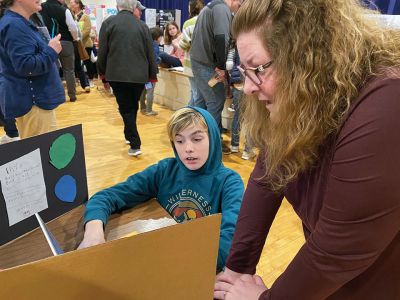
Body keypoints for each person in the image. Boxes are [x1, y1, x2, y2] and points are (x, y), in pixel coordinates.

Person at [214, 0, 400, 299]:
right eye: (243, 70)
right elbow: (267, 178)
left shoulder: (387, 106)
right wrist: (236, 269)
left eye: (257, 68)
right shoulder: (306, 102)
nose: (247, 87)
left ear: (303, 56)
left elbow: (336, 251)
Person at [78, 107, 244, 272]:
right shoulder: (165, 170)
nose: (188, 148)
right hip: (159, 257)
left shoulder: (230, 182)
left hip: (196, 267)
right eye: (180, 141)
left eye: (197, 139)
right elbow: (107, 196)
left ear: (213, 139)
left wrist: (175, 259)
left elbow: (231, 239)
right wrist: (93, 231)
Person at [97, 0, 157, 156]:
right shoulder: (142, 25)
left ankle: (135, 143)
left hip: (116, 74)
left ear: (118, 6)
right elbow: (150, 52)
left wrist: (102, 75)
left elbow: (102, 51)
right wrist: (152, 75)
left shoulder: (108, 23)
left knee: (126, 107)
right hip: (140, 75)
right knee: (131, 106)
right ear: (133, 7)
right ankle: (129, 135)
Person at [0, 0, 65, 139]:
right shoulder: (14, 25)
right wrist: (51, 50)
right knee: (42, 155)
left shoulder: (17, 23)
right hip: (34, 104)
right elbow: (26, 66)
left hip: (35, 103)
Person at [190, 0, 242, 153]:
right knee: (215, 102)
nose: (240, 6)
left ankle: (196, 138)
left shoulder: (212, 6)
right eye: (240, 3)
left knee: (200, 100)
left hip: (200, 61)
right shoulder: (221, 8)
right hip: (207, 64)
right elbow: (221, 38)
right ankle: (212, 145)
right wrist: (220, 66)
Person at [41, 0, 79, 102]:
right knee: (69, 70)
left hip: (49, 42)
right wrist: (75, 38)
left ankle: (55, 96)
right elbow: (73, 28)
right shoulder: (64, 10)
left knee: (52, 70)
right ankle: (72, 95)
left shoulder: (41, 7)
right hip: (66, 42)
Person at [179, 0, 205, 107]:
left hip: (192, 64)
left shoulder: (188, 23)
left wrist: (179, 42)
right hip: (206, 63)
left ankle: (190, 118)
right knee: (198, 94)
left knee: (196, 95)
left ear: (191, 8)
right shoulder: (208, 20)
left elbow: (185, 44)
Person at [70, 0, 95, 87]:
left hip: (85, 44)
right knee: (76, 63)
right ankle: (80, 80)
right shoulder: (71, 16)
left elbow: (87, 30)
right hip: (75, 44)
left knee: (87, 62)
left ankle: (91, 79)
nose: (70, 4)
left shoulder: (85, 16)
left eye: (72, 3)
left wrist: (79, 38)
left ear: (78, 4)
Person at [139, 27, 163, 116]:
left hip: (144, 71)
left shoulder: (145, 44)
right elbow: (155, 59)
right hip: (151, 72)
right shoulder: (155, 45)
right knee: (150, 91)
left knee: (143, 90)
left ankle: (143, 107)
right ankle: (149, 110)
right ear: (157, 37)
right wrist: (160, 60)